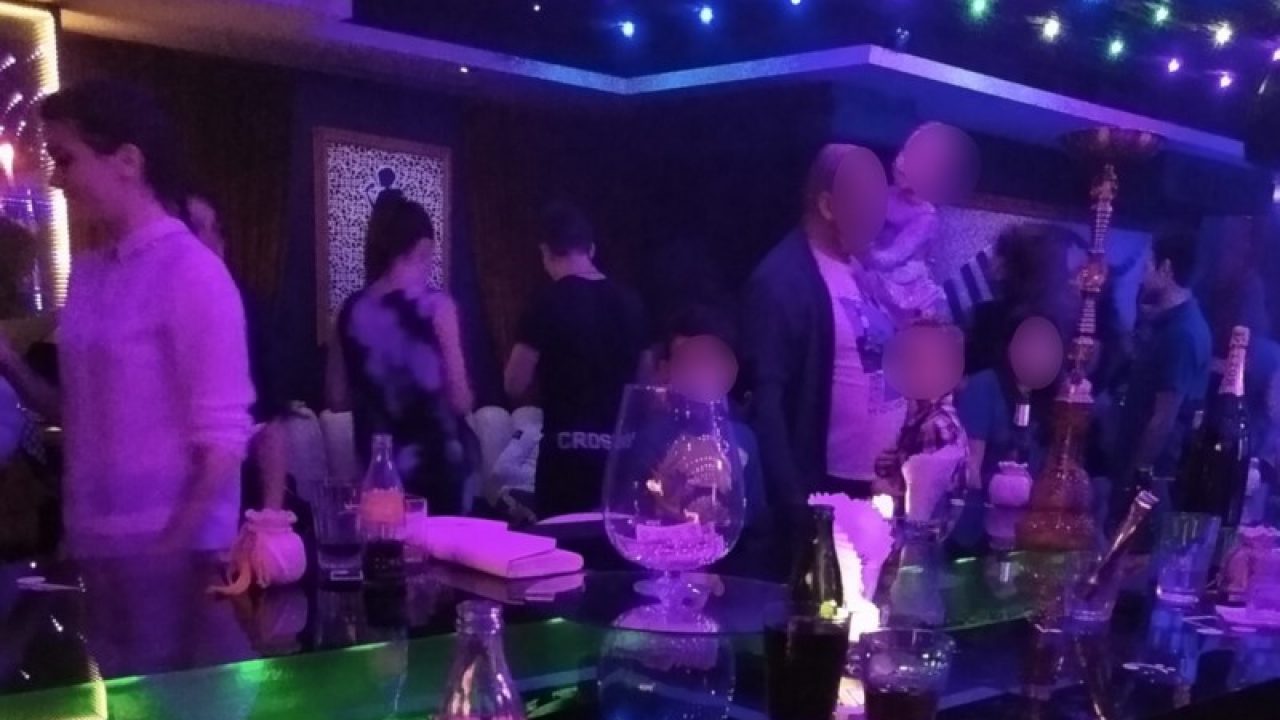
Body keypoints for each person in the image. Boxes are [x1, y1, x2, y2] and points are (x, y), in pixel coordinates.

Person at [0, 79, 255, 556]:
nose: (56, 180)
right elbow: (84, 415)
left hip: (179, 560)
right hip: (92, 548)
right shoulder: (88, 274)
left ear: (128, 162)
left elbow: (222, 446)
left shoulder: (192, 272)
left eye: (65, 159)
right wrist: (10, 364)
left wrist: (165, 559)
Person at [741, 143, 901, 510]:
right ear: (828, 205)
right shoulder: (782, 281)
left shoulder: (860, 268)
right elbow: (767, 403)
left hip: (878, 485)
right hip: (825, 492)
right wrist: (794, 504)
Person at [326, 190, 474, 515]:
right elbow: (460, 400)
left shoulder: (348, 311)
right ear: (421, 248)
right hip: (438, 467)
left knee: (386, 545)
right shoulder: (437, 308)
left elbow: (336, 398)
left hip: (378, 469)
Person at [504, 202, 649, 518]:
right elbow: (645, 383)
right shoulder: (632, 303)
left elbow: (514, 383)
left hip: (564, 462)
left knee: (563, 543)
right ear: (591, 249)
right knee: (615, 543)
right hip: (619, 460)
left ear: (545, 251)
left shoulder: (544, 303)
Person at [186, 194, 290, 513]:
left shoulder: (244, 307)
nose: (211, 241)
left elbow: (269, 424)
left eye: (216, 230)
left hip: (240, 500)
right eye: (195, 229)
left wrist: (270, 516)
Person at [1113, 230, 1211, 489]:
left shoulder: (1182, 333)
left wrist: (1133, 479)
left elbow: (1163, 419)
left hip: (1151, 480)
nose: (1141, 276)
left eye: (1147, 266)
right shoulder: (1168, 324)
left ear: (1165, 269)